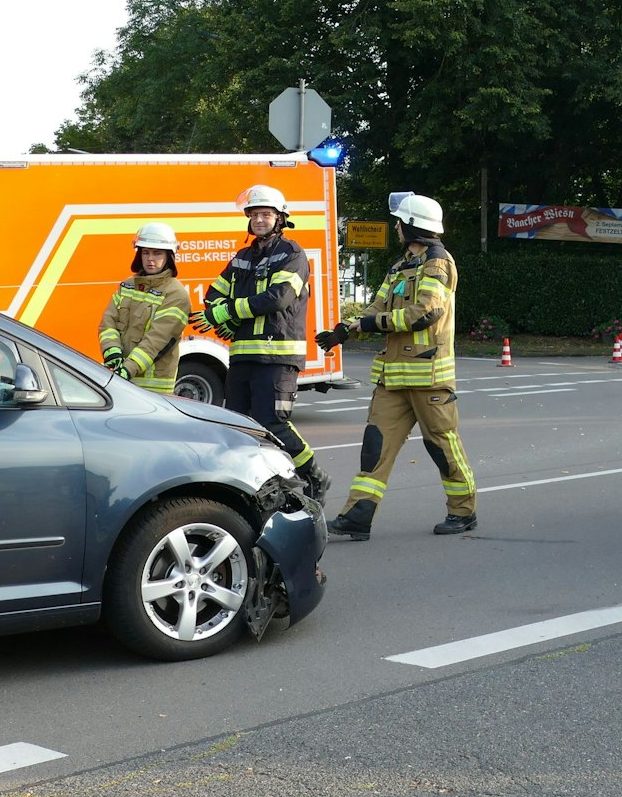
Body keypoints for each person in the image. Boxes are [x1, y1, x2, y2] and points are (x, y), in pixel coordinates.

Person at [316, 191, 477, 538]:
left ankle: (463, 511)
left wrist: (372, 324)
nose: (396, 227)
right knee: (375, 448)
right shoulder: (402, 264)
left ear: (413, 225)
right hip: (393, 377)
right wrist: (348, 329)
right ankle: (358, 516)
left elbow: (424, 313)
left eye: (400, 222)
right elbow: (377, 307)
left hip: (429, 380)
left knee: (442, 447)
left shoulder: (438, 263)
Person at [194, 184, 332, 501]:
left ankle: (313, 475)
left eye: (266, 214)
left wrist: (229, 312)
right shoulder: (242, 258)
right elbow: (214, 295)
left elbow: (278, 298)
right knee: (238, 427)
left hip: (277, 356)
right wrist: (225, 317)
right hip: (243, 356)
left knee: (272, 422)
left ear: (280, 218)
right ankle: (258, 485)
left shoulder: (293, 255)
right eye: (254, 214)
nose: (259, 219)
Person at [97, 223, 191, 395]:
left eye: (157, 253)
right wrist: (111, 352)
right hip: (121, 380)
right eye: (145, 252)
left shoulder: (176, 294)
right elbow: (107, 323)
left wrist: (127, 369)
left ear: (169, 256)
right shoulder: (127, 285)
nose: (150, 259)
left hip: (153, 388)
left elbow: (156, 340)